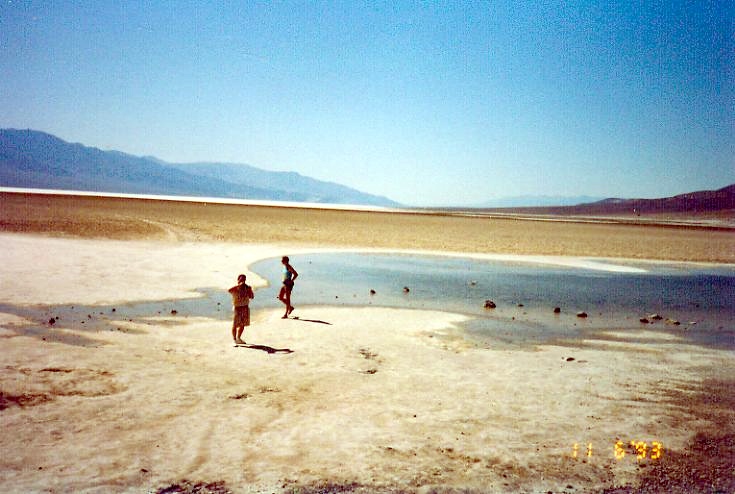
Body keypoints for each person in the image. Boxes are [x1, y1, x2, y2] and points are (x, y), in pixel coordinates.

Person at [228, 274, 254, 345]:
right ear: (238, 280)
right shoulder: (235, 288)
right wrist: (238, 286)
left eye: (244, 279)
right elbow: (229, 290)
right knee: (235, 324)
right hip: (237, 307)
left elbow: (251, 297)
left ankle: (239, 338)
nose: (243, 281)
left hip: (245, 307)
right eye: (241, 279)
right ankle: (234, 339)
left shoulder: (247, 288)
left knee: (243, 324)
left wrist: (250, 290)